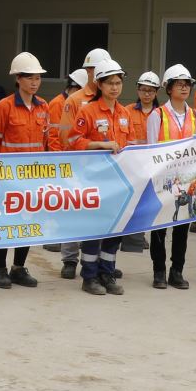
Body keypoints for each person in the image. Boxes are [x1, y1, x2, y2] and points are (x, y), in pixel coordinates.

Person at [68, 58, 134, 295]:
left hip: (118, 182)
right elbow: (74, 140)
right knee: (95, 229)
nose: (115, 87)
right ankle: (89, 276)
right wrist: (99, 144)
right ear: (99, 85)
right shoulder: (88, 111)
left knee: (114, 231)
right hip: (95, 180)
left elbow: (131, 144)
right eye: (110, 83)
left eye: (118, 83)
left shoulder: (125, 113)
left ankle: (107, 273)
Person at [0, 51, 49, 288]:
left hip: (32, 177)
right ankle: (0, 269)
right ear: (18, 79)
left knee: (27, 222)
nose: (34, 82)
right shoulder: (4, 107)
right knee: (4, 222)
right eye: (29, 77)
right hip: (7, 177)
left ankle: (19, 268)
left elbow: (45, 143)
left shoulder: (43, 107)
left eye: (37, 78)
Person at [143, 63, 196, 289]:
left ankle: (177, 271)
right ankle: (159, 271)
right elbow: (151, 149)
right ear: (168, 88)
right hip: (162, 180)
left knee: (182, 228)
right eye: (179, 84)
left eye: (187, 84)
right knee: (159, 228)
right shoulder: (157, 115)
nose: (184, 88)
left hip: (186, 180)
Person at [57, 48, 110, 278]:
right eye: (94, 69)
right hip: (78, 165)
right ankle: (70, 259)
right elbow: (65, 136)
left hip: (104, 169)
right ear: (88, 71)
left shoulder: (110, 99)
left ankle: (98, 260)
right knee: (73, 213)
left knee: (100, 215)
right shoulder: (75, 100)